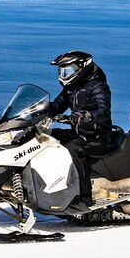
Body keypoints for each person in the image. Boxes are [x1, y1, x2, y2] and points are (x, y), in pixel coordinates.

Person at [46, 50, 115, 200]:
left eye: (67, 71)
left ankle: (83, 195)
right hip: (79, 133)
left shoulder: (98, 86)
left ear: (82, 68)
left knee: (74, 148)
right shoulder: (71, 89)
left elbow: (103, 111)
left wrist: (84, 116)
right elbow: (56, 106)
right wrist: (38, 109)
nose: (63, 75)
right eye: (62, 72)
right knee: (46, 137)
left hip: (97, 136)